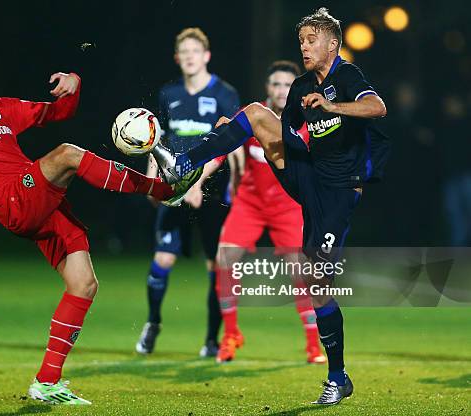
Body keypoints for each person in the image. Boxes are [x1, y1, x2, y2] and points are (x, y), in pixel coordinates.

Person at [0, 41, 201, 406]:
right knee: (66, 154)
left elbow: (58, 112)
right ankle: (161, 189)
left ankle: (46, 382)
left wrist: (73, 83)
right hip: (14, 200)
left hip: (40, 203)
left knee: (84, 285)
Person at [152, 8, 389, 405]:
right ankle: (183, 164)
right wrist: (238, 130)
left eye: (312, 40)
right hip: (306, 175)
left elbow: (377, 107)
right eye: (301, 41)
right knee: (255, 114)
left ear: (333, 44)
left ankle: (337, 376)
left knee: (316, 285)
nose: (305, 47)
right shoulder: (299, 87)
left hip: (337, 191)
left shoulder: (347, 77)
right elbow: (285, 130)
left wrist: (333, 108)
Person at [136, 28, 240, 357]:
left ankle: (211, 339)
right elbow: (158, 139)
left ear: (206, 56)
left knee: (215, 265)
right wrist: (153, 177)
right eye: (185, 51)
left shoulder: (224, 94)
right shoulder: (170, 93)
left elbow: (229, 143)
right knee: (162, 258)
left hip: (211, 192)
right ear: (177, 58)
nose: (191, 56)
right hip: (174, 187)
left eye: (196, 50)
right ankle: (153, 323)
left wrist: (196, 184)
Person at [213, 61, 325, 365]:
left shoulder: (307, 122)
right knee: (225, 259)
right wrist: (200, 178)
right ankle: (231, 334)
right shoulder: (254, 115)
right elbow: (223, 145)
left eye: (287, 84)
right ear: (267, 88)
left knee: (301, 271)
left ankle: (314, 344)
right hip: (251, 201)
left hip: (288, 205)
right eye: (275, 84)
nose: (280, 89)